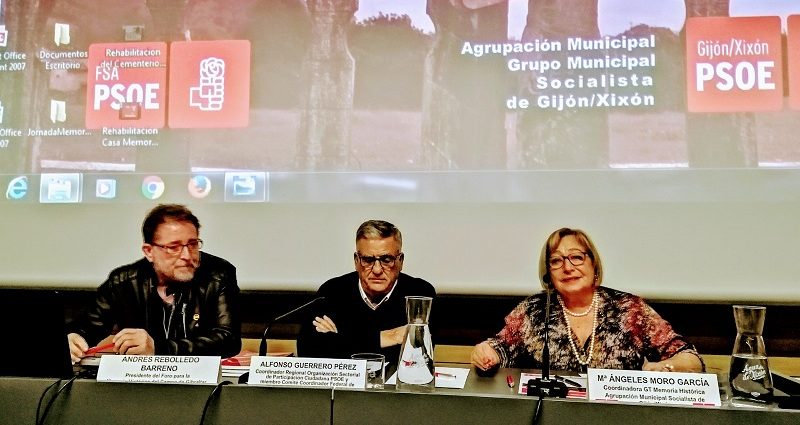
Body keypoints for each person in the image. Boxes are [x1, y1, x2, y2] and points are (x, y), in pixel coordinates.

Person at [472, 227, 703, 373]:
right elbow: (499, 348)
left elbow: (691, 358)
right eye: (556, 261)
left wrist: (663, 368)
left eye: (576, 257)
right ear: (548, 274)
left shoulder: (629, 309)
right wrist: (485, 353)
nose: (567, 267)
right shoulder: (533, 311)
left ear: (594, 265)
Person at [67, 204, 241, 362]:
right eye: (174, 247)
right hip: (138, 386)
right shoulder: (124, 282)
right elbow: (88, 326)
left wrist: (158, 348)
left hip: (200, 385)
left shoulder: (217, 275)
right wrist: (75, 338)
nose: (187, 256)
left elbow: (227, 339)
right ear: (149, 251)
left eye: (193, 244)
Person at [297, 220, 436, 362]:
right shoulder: (332, 291)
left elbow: (417, 355)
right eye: (368, 260)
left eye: (386, 260)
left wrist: (340, 339)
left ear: (400, 261)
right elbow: (310, 350)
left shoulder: (419, 293)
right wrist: (391, 336)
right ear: (357, 261)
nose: (377, 270)